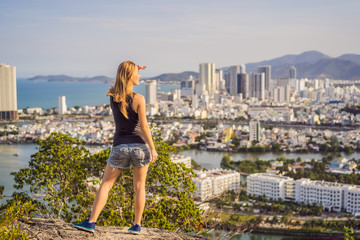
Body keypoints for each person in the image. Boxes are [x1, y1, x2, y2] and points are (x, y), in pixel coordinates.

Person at [73, 61, 158, 235]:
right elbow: (144, 127)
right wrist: (153, 148)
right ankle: (136, 226)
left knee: (106, 184)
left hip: (120, 147)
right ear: (129, 76)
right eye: (137, 73)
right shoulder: (140, 99)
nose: (139, 75)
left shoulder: (113, 95)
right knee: (140, 187)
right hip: (140, 147)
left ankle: (91, 222)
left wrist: (131, 68)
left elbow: (117, 84)